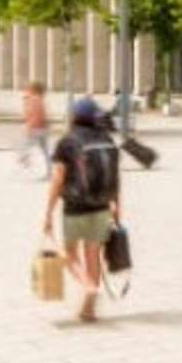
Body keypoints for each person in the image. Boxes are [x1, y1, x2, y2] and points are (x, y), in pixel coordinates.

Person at [42, 98, 121, 323]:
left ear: (74, 117)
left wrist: (48, 213)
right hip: (102, 207)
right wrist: (117, 208)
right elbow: (116, 177)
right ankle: (89, 310)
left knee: (70, 255)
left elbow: (58, 179)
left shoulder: (67, 142)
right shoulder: (107, 140)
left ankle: (88, 287)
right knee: (93, 255)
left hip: (75, 208)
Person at [19, 81, 50, 176]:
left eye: (29, 88)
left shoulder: (34, 99)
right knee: (44, 150)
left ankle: (25, 161)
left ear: (33, 89)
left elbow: (35, 115)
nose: (27, 89)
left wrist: (30, 127)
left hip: (35, 128)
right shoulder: (38, 99)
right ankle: (49, 171)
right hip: (42, 128)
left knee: (26, 146)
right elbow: (42, 115)